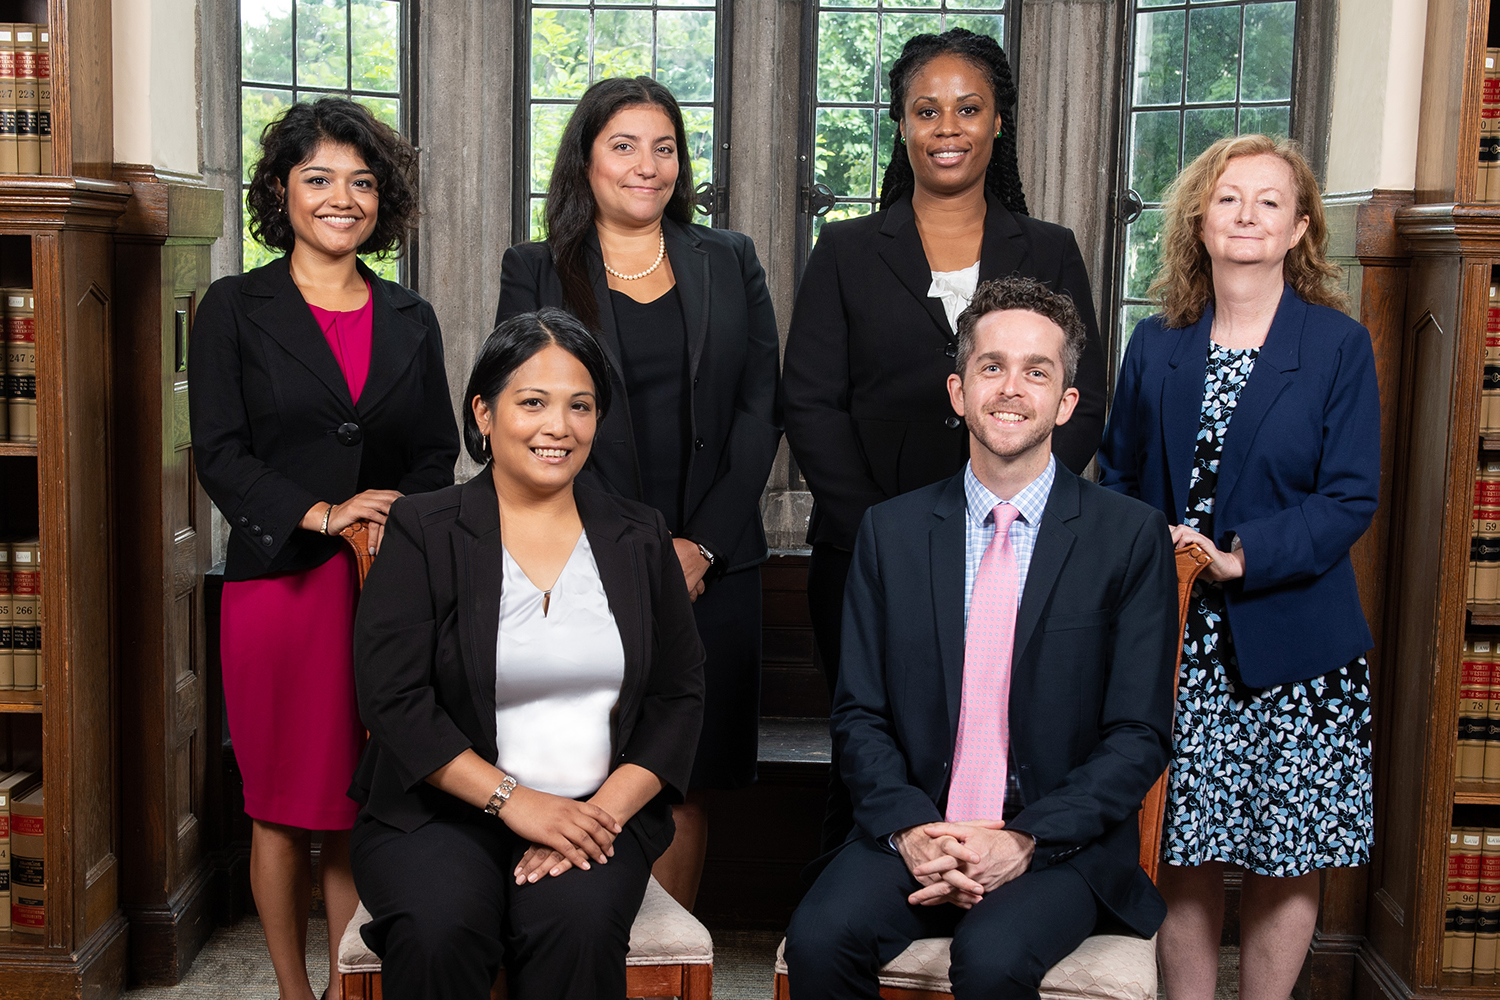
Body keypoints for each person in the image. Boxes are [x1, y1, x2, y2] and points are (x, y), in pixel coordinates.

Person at [784, 277, 1178, 998]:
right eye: (991, 366)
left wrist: (1023, 839)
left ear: (1066, 402)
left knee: (993, 956)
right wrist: (912, 831)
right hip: (915, 828)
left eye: (1037, 371)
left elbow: (1137, 736)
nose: (1011, 388)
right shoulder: (891, 533)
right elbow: (859, 714)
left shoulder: (1128, 538)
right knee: (820, 937)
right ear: (959, 391)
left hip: (1060, 845)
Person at [781, 29, 1108, 853]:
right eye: (927, 111)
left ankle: (997, 889)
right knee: (867, 750)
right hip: (865, 551)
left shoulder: (1051, 250)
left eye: (969, 108)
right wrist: (884, 535)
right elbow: (811, 404)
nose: (948, 127)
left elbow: (1085, 396)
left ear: (999, 123)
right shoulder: (847, 251)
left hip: (1019, 550)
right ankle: (844, 915)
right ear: (901, 126)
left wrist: (1012, 507)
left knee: (1000, 739)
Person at [347, 309, 705, 999]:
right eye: (532, 402)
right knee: (440, 926)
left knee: (576, 925)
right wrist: (516, 803)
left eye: (581, 406)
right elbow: (394, 700)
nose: (558, 427)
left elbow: (678, 697)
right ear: (483, 412)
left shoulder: (639, 536)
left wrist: (595, 815)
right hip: (438, 812)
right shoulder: (425, 528)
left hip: (597, 809)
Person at [1097, 134, 1380, 1000]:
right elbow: (1117, 477)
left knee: (1286, 858)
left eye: (1268, 201)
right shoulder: (1157, 344)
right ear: (1201, 220)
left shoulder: (1337, 345)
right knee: (1183, 851)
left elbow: (1349, 497)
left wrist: (1240, 558)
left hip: (1298, 647)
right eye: (1229, 198)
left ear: (1299, 228)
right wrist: (1166, 550)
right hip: (1178, 644)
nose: (1247, 215)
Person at [189, 97, 459, 1000]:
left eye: (362, 182)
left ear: (383, 202)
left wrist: (388, 513)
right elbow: (220, 452)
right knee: (278, 806)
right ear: (280, 191)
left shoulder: (411, 316)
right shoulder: (233, 307)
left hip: (384, 583)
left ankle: (350, 988)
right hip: (280, 585)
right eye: (318, 179)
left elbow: (434, 452)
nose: (342, 198)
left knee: (355, 803)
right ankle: (291, 990)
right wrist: (322, 512)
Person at [495, 75, 782, 908]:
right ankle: (586, 952)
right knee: (592, 758)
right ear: (585, 161)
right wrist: (637, 551)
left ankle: (667, 952)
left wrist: (702, 545)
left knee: (685, 775)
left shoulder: (728, 258)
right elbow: (531, 421)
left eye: (664, 148)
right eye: (623, 145)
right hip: (580, 558)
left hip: (715, 563)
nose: (646, 166)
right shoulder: (537, 270)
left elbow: (759, 408)